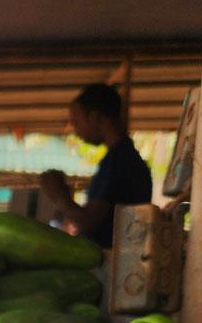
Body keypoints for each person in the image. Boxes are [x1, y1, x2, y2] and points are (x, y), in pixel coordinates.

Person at [39, 83, 152, 248]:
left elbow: (88, 222)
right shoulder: (123, 157)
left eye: (77, 122)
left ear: (95, 118)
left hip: (116, 261)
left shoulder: (119, 160)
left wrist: (59, 195)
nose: (76, 131)